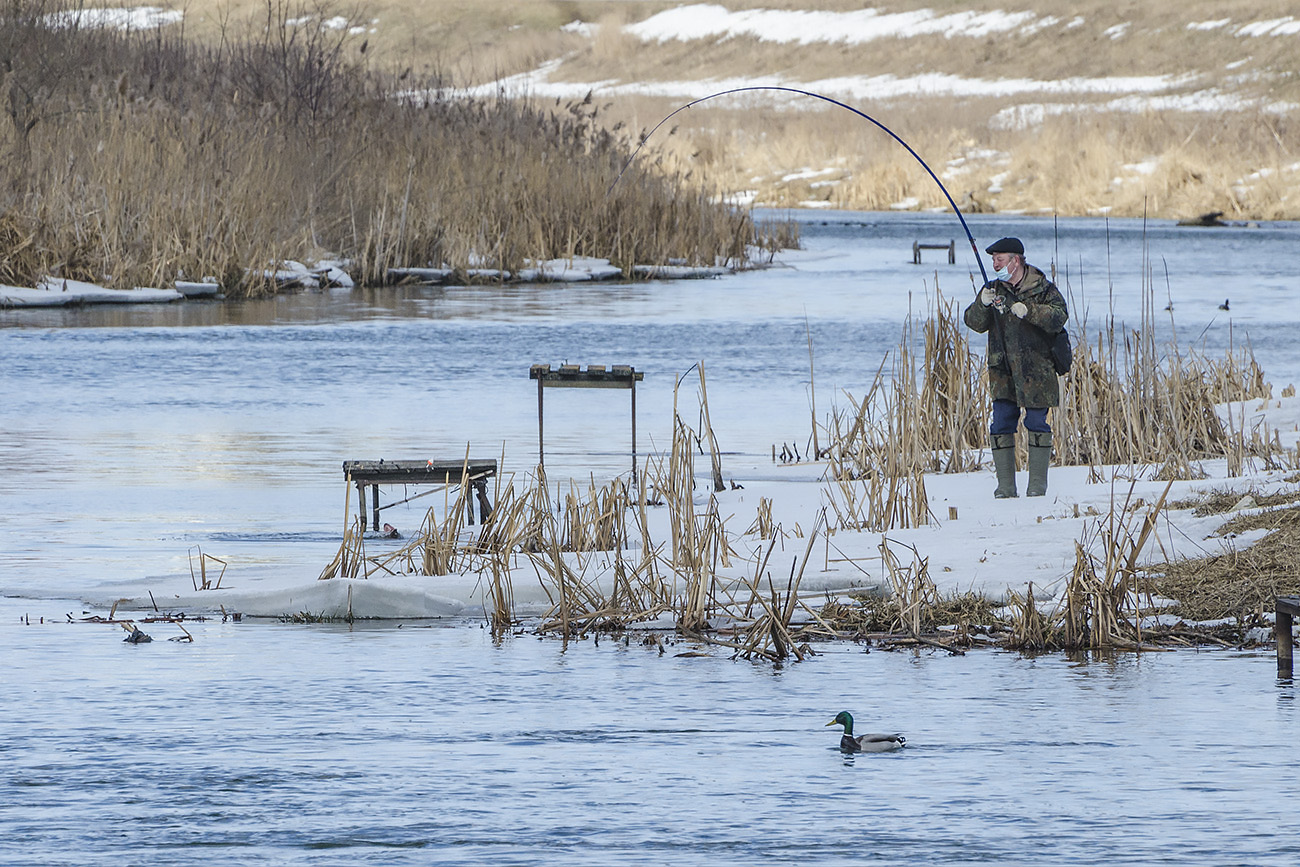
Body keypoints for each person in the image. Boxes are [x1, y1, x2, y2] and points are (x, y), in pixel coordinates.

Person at [963, 237, 1068, 498]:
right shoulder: (993, 289)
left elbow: (1059, 316)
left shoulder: (1042, 287)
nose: (995, 264)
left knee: (1036, 422)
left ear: (1016, 260)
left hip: (1036, 370)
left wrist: (1029, 311)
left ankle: (1037, 487)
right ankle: (1006, 488)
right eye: (993, 259)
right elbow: (974, 323)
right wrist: (982, 304)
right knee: (1001, 423)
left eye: (1000, 259)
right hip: (1003, 370)